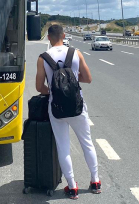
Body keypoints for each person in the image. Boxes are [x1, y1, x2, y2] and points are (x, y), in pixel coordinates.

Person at [35, 25, 101, 200]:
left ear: (48, 37)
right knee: (87, 143)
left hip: (56, 108)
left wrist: (54, 90)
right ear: (64, 36)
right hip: (77, 106)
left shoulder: (43, 58)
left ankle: (72, 187)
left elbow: (39, 87)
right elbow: (88, 79)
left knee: (63, 146)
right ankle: (95, 182)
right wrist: (71, 79)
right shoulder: (75, 53)